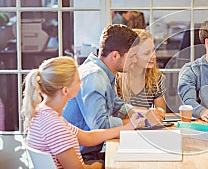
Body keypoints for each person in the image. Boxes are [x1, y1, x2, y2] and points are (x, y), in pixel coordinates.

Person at [62, 24, 163, 161]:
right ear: (115, 55)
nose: (134, 61)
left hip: (90, 152)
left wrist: (142, 113)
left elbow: (117, 105)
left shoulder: (104, 72)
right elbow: (100, 126)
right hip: (83, 157)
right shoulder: (94, 77)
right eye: (132, 56)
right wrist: (138, 123)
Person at [22, 57, 145, 168]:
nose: (82, 83)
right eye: (78, 81)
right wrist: (99, 165)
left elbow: (88, 137)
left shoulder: (44, 114)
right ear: (65, 90)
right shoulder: (55, 126)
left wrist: (128, 127)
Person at [115, 29, 166, 112]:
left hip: (144, 124)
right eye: (146, 53)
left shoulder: (157, 78)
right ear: (133, 55)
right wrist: (145, 112)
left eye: (153, 51)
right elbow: (115, 112)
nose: (153, 56)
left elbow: (161, 114)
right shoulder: (116, 78)